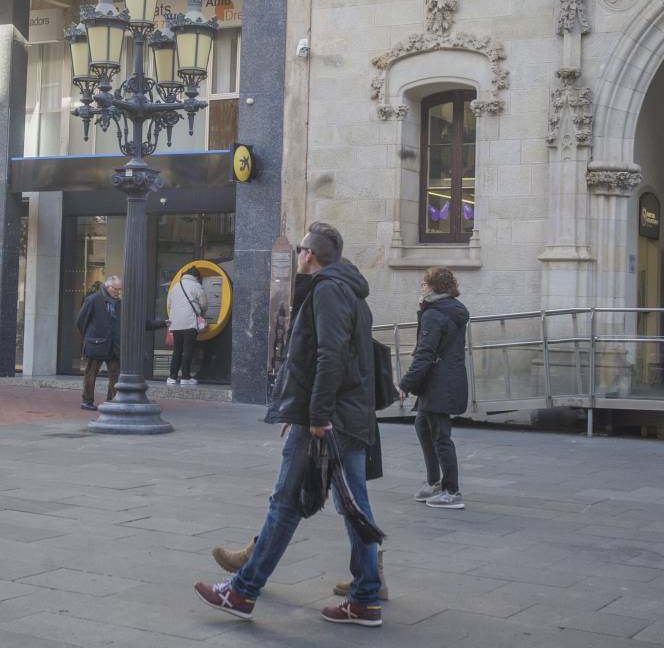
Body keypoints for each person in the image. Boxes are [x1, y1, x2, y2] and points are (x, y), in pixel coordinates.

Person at [195, 223, 384, 627]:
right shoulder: (346, 290)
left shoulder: (329, 290)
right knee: (352, 507)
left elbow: (330, 357)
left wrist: (315, 417)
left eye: (300, 249)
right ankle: (366, 595)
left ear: (308, 254)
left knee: (286, 504)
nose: (298, 255)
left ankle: (243, 591)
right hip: (340, 416)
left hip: (331, 419)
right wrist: (301, 411)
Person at [399, 266, 470, 510]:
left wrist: (406, 384)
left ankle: (452, 491)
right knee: (423, 425)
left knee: (441, 436)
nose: (422, 287)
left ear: (434, 287)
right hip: (445, 379)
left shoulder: (435, 313)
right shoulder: (449, 310)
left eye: (425, 283)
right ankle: (435, 482)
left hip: (440, 382)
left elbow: (425, 353)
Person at [76, 275, 122, 411]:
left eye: (119, 290)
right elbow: (80, 320)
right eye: (115, 289)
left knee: (115, 373)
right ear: (108, 286)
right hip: (96, 343)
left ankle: (113, 400)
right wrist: (89, 337)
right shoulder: (94, 299)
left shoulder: (119, 302)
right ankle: (87, 401)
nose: (117, 292)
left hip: (113, 345)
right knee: (91, 373)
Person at [166, 267, 207, 386]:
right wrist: (201, 314)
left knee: (177, 350)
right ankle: (185, 377)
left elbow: (169, 303)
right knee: (188, 349)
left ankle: (172, 377)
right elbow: (204, 304)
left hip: (176, 323)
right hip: (190, 322)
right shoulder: (196, 286)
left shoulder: (175, 286)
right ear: (196, 277)